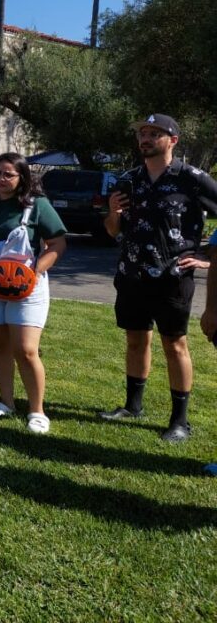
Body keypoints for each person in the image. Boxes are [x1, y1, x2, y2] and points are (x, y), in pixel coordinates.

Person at [100, 113, 217, 442]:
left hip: (173, 277)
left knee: (175, 344)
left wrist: (208, 258)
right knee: (136, 340)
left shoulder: (192, 179)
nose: (145, 139)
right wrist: (113, 213)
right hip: (131, 275)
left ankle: (180, 421)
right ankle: (132, 406)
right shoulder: (129, 180)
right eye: (143, 134)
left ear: (173, 140)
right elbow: (112, 231)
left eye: (154, 134)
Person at [0, 153, 67, 434]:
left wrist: (34, 271)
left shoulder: (37, 206)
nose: (0, 179)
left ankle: (37, 410)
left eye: (8, 174)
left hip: (27, 287)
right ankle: (6, 402)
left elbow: (58, 243)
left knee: (25, 349)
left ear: (22, 178)